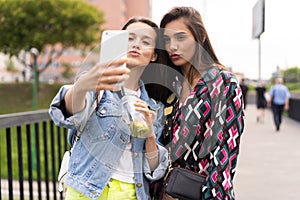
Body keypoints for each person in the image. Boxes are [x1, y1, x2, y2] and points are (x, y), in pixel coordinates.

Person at [49, 17, 168, 200]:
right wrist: (84, 84)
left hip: (131, 193)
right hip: (85, 191)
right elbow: (67, 113)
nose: (136, 45)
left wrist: (150, 134)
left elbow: (154, 170)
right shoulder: (97, 87)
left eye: (145, 42)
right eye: (129, 38)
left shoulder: (154, 107)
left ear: (153, 56)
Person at [151, 7, 245, 200]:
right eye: (167, 40)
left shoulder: (222, 83)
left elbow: (223, 158)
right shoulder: (173, 87)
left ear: (200, 36)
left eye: (181, 38)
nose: (172, 47)